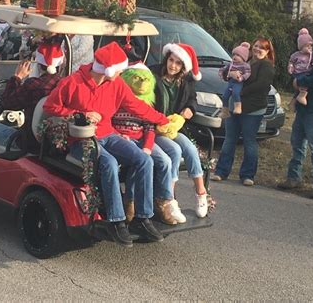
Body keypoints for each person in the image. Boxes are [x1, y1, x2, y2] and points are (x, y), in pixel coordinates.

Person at [44, 41, 169, 247]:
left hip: (108, 134)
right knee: (109, 163)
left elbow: (136, 106)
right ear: (109, 70)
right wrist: (80, 114)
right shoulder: (72, 83)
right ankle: (115, 220)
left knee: (144, 160)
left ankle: (142, 218)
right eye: (119, 70)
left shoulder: (116, 84)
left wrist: (163, 120)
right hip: (80, 139)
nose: (121, 74)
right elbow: (50, 107)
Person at [0, 42, 64, 181]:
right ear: (60, 65)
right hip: (49, 142)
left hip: (26, 142)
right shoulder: (64, 84)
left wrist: (17, 77)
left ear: (38, 64)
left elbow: (8, 102)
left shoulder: (34, 85)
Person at [111, 62, 178, 225]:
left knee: (165, 161)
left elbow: (149, 128)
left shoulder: (146, 104)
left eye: (144, 79)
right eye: (136, 78)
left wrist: (148, 147)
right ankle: (130, 200)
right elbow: (108, 121)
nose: (141, 83)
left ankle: (163, 200)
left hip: (141, 138)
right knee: (139, 161)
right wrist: (118, 135)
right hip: (122, 138)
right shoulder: (117, 99)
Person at [150, 43, 208, 219]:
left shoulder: (185, 81)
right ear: (166, 58)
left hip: (174, 127)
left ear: (183, 67)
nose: (172, 66)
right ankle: (170, 198)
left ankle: (201, 192)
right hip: (157, 128)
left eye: (177, 63)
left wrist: (190, 108)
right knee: (174, 150)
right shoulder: (154, 74)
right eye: (171, 60)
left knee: (189, 149)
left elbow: (192, 99)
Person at [212, 37, 275, 186]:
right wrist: (231, 76)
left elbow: (261, 85)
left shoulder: (266, 66)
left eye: (262, 48)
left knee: (249, 141)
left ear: (267, 51)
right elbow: (228, 75)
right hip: (234, 108)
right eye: (256, 46)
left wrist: (240, 92)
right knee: (229, 139)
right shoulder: (245, 61)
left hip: (253, 110)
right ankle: (221, 171)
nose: (258, 49)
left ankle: (248, 175)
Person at [279, 32, 313, 198]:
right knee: (297, 142)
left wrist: (299, 81)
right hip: (303, 109)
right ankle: (294, 177)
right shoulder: (309, 57)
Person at [218, 42, 252, 118]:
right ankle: (225, 111)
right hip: (230, 83)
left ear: (243, 57)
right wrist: (224, 74)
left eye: (238, 55)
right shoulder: (231, 64)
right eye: (234, 55)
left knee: (236, 93)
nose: (235, 57)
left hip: (238, 83)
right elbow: (223, 70)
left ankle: (238, 107)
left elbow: (247, 73)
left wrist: (242, 78)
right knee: (225, 96)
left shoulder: (245, 65)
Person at [287, 28, 313, 107]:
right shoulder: (296, 55)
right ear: (301, 46)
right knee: (302, 82)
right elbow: (291, 61)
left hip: (307, 72)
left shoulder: (311, 55)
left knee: (305, 82)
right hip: (298, 72)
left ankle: (297, 99)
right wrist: (290, 67)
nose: (309, 48)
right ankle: (301, 96)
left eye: (311, 46)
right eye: (307, 46)